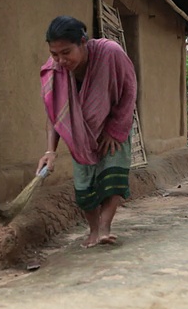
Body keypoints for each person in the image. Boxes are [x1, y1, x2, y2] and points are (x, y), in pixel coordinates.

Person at [36, 16, 137, 248]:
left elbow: (129, 90)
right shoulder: (54, 70)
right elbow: (54, 115)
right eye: (54, 54)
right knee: (84, 188)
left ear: (83, 42)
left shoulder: (110, 53)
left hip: (113, 124)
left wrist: (114, 129)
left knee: (113, 175)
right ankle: (92, 229)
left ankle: (104, 228)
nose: (60, 60)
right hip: (79, 134)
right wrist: (50, 151)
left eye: (66, 52)